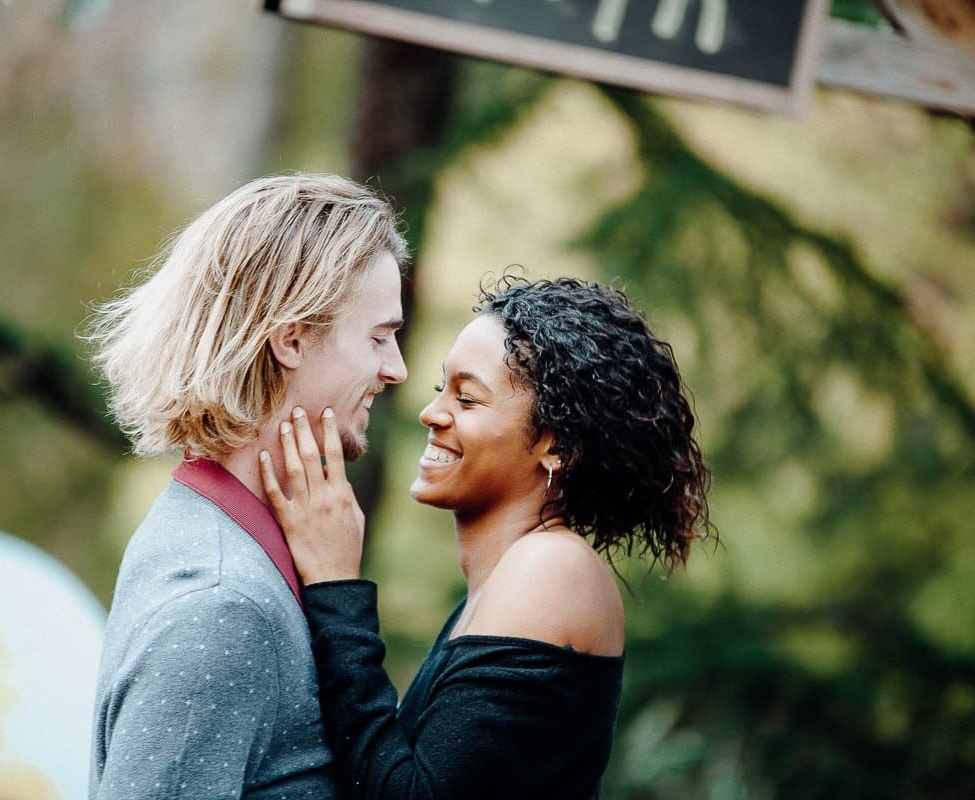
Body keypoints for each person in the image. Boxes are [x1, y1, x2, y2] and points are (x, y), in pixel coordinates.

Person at [259, 274, 712, 799]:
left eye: (467, 399)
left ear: (557, 446)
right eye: (440, 389)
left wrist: (337, 587)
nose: (432, 413)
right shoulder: (505, 580)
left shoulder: (549, 570)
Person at [85, 173, 409, 799]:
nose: (395, 368)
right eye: (376, 337)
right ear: (292, 339)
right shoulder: (223, 604)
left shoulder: (210, 537)